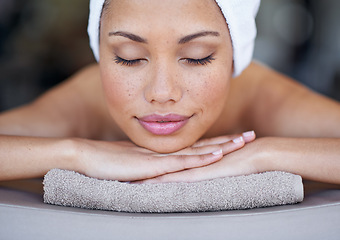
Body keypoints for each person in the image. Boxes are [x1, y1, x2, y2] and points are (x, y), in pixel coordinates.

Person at [0, 0, 339, 184]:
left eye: (197, 57)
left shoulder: (265, 99)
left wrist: (266, 155)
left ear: (235, 55)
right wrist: (76, 155)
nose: (162, 93)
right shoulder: (86, 101)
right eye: (129, 59)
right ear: (100, 54)